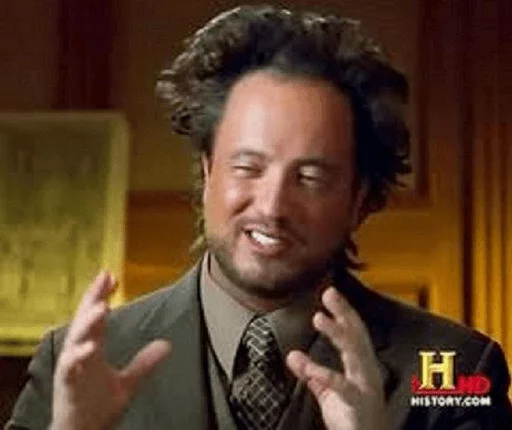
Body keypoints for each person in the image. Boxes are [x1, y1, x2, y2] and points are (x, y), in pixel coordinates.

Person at [6, 5, 512, 430]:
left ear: (360, 199)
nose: (272, 207)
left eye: (310, 177)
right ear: (207, 172)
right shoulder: (78, 365)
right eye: (247, 168)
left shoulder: (452, 371)